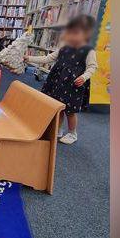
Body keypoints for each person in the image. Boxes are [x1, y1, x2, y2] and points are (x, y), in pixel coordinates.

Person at [25, 14, 98, 145]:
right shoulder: (64, 48)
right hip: (58, 82)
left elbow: (92, 67)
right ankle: (58, 129)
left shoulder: (88, 51)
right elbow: (48, 58)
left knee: (70, 111)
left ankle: (72, 133)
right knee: (58, 108)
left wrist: (84, 77)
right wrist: (29, 59)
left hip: (73, 85)